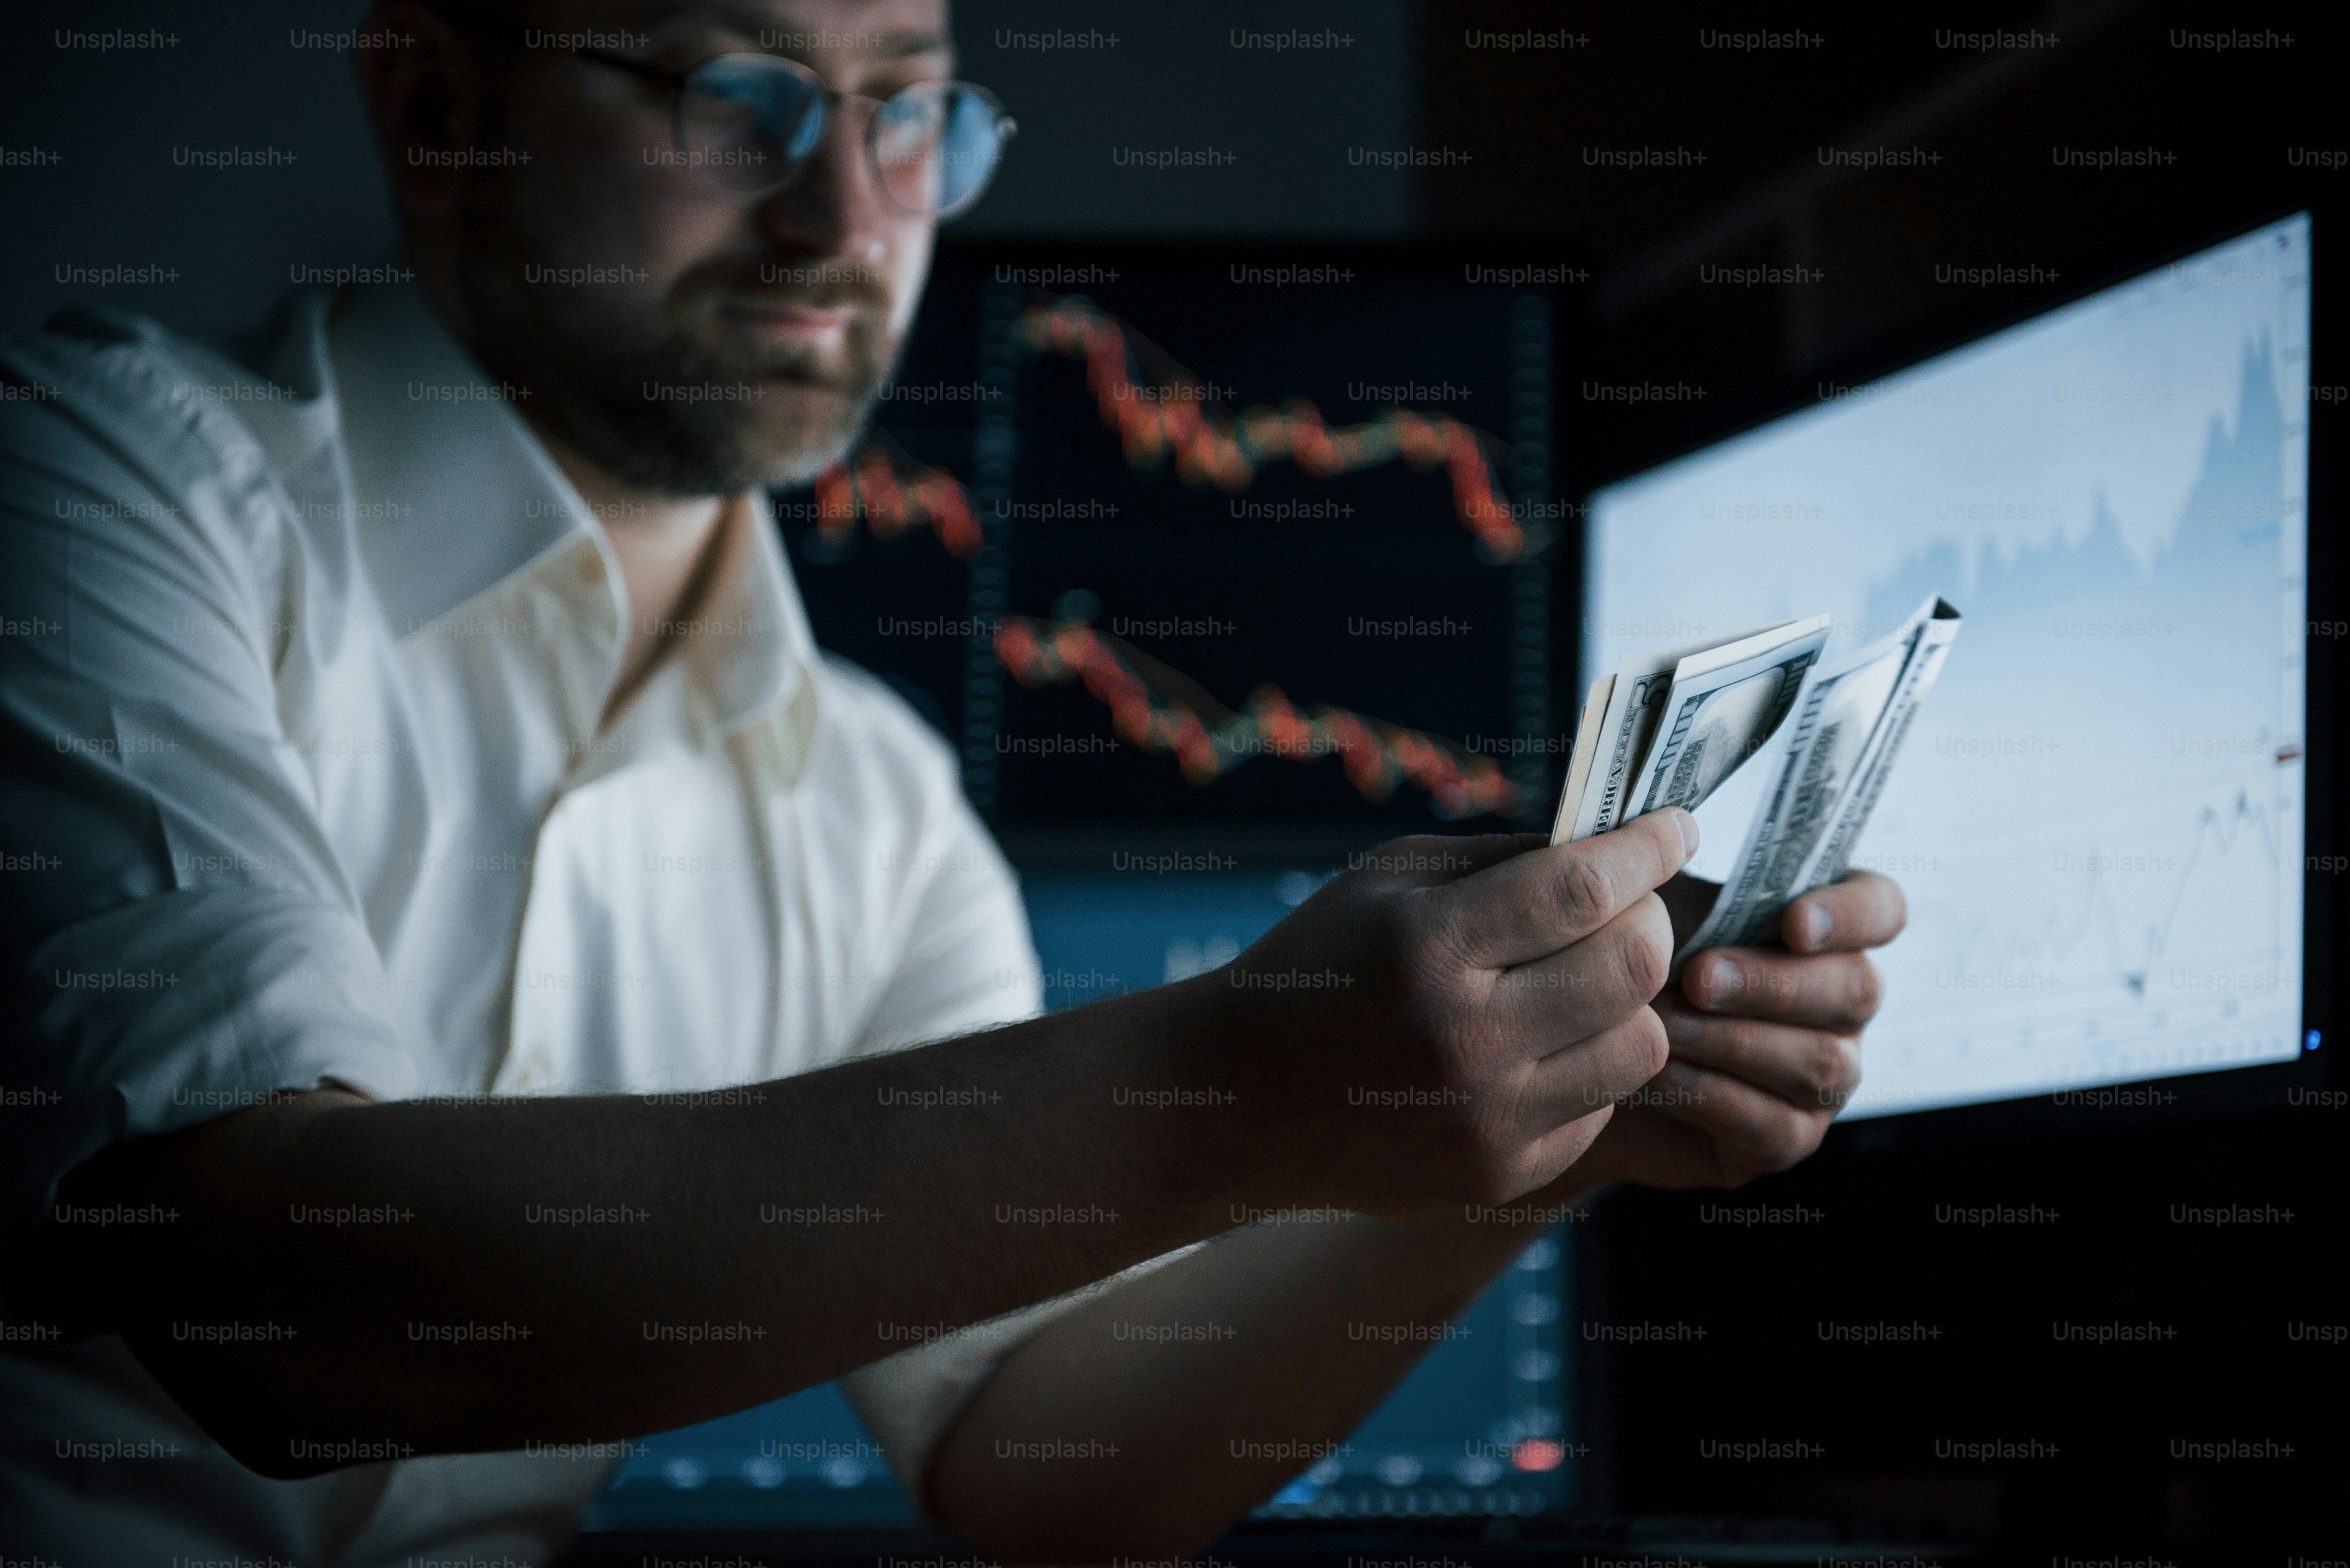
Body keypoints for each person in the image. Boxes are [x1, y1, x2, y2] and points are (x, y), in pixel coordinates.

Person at [0, 1, 1904, 1561]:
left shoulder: (876, 795)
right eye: (732, 94)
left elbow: (1038, 1467)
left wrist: (1541, 1122)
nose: (842, 213)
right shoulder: (88, 484)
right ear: (435, 105)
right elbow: (286, 1287)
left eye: (906, 110)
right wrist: (1238, 1080)